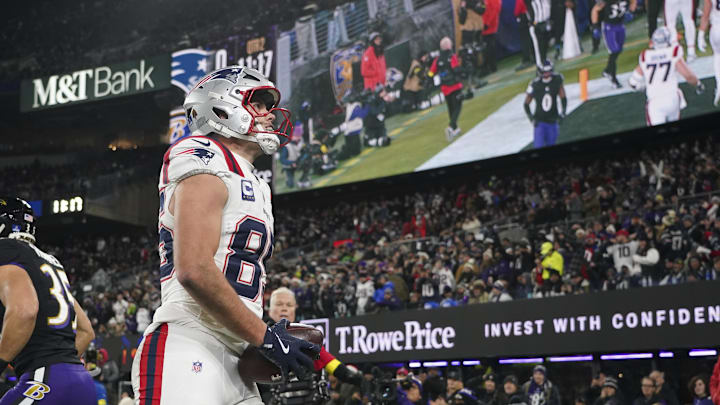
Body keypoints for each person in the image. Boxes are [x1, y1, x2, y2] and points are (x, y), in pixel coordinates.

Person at [131, 67, 319, 405]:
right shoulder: (203, 155)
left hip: (236, 357)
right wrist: (266, 336)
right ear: (221, 108)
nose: (268, 114)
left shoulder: (255, 181)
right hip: (189, 341)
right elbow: (195, 269)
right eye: (257, 104)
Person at [0, 197, 96, 405]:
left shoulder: (6, 250)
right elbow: (86, 330)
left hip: (45, 380)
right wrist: (62, 369)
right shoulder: (50, 260)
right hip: (81, 382)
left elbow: (24, 311)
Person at [267, 288, 361, 385]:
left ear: (296, 308)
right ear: (269, 308)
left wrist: (352, 377)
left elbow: (326, 359)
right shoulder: (256, 332)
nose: (284, 308)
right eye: (279, 304)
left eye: (289, 305)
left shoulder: (305, 336)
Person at [628, 27, 706, 126]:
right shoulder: (672, 53)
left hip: (655, 102)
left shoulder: (646, 56)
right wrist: (698, 84)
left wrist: (643, 88)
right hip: (673, 99)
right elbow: (688, 76)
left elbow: (633, 82)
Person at [591, 0, 636, 88]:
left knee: (619, 49)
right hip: (609, 26)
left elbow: (633, 1)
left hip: (620, 25)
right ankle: (613, 77)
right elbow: (595, 10)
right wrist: (595, 26)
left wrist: (631, 11)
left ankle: (608, 70)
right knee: (614, 50)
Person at [523, 60, 567, 148]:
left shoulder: (557, 79)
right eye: (544, 72)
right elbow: (526, 104)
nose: (546, 74)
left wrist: (563, 112)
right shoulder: (535, 84)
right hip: (540, 122)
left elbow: (563, 97)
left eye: (548, 71)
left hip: (553, 121)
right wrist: (531, 118)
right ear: (540, 72)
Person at [429, 37, 465, 142]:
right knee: (458, 106)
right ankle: (450, 127)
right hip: (455, 86)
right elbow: (455, 69)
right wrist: (463, 71)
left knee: (451, 108)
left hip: (445, 88)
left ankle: (455, 129)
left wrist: (429, 79)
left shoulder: (437, 60)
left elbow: (431, 72)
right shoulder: (451, 56)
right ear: (448, 46)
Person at [698, 0, 720, 106]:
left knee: (718, 56)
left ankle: (719, 85)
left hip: (717, 29)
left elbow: (706, 14)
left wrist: (701, 35)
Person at [525, 0, 553, 66]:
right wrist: (532, 22)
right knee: (538, 46)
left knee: (545, 43)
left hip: (545, 21)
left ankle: (544, 60)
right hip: (536, 24)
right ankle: (540, 64)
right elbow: (529, 9)